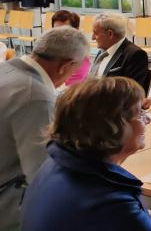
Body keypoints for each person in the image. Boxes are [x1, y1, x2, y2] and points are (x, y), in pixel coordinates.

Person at [21, 77, 151, 230]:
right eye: (140, 113)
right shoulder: (110, 200)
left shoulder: (56, 163)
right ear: (113, 127)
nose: (147, 120)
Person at [0, 27, 88, 230]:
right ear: (66, 66)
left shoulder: (6, 69)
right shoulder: (36, 95)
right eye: (75, 71)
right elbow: (42, 172)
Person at [89, 12, 150, 92]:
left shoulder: (135, 55)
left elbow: (132, 92)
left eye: (95, 33)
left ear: (110, 34)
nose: (92, 37)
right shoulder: (103, 50)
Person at [52, 10, 91, 85]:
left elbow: (70, 86)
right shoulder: (51, 48)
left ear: (76, 30)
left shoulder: (80, 54)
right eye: (56, 30)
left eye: (65, 30)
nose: (59, 34)